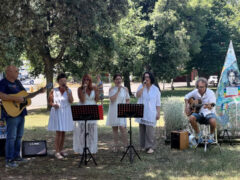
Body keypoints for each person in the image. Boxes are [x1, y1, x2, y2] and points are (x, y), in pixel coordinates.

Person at [0, 65, 45, 168]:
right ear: (9, 72)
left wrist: (38, 92)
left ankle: (16, 156)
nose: (17, 72)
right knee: (11, 137)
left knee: (19, 136)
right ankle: (9, 160)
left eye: (17, 71)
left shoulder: (18, 82)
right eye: (16, 71)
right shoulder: (3, 82)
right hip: (11, 114)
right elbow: (1, 95)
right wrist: (14, 99)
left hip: (21, 112)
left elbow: (25, 95)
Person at [48, 73, 74, 159]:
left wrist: (68, 92)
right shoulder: (53, 90)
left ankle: (61, 149)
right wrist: (53, 104)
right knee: (58, 132)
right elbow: (50, 101)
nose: (63, 82)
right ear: (58, 81)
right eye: (61, 81)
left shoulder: (69, 90)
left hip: (66, 112)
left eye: (65, 81)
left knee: (63, 132)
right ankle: (57, 151)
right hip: (57, 112)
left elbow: (71, 101)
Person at [185, 77, 217, 143]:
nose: (200, 89)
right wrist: (187, 106)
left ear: (206, 86)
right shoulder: (195, 91)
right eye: (199, 87)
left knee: (213, 121)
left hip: (209, 113)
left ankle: (211, 136)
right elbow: (186, 96)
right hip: (198, 113)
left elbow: (212, 104)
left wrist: (209, 106)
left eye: (202, 87)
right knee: (191, 118)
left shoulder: (210, 93)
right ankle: (199, 135)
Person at [73, 74, 99, 154]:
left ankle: (92, 148)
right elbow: (83, 100)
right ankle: (82, 148)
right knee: (82, 130)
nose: (86, 81)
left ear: (90, 80)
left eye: (88, 79)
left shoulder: (94, 88)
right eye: (84, 79)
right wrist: (84, 89)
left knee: (92, 130)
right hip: (83, 109)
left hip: (92, 109)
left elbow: (97, 99)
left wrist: (97, 91)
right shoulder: (79, 89)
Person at [135, 72, 161, 154]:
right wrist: (143, 87)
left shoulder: (155, 89)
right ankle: (143, 146)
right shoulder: (141, 87)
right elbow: (137, 95)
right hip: (141, 111)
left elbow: (158, 103)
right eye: (145, 77)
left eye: (148, 77)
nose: (146, 79)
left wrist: (158, 113)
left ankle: (150, 147)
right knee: (142, 129)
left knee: (150, 131)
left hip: (151, 112)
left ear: (151, 78)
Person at [106, 73, 130, 152]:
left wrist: (127, 108)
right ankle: (116, 146)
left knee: (123, 128)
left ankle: (126, 145)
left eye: (119, 79)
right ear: (114, 80)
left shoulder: (125, 89)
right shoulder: (111, 89)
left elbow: (127, 99)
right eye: (116, 79)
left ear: (121, 80)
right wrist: (118, 91)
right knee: (115, 128)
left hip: (122, 110)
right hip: (113, 110)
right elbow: (112, 99)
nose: (118, 80)